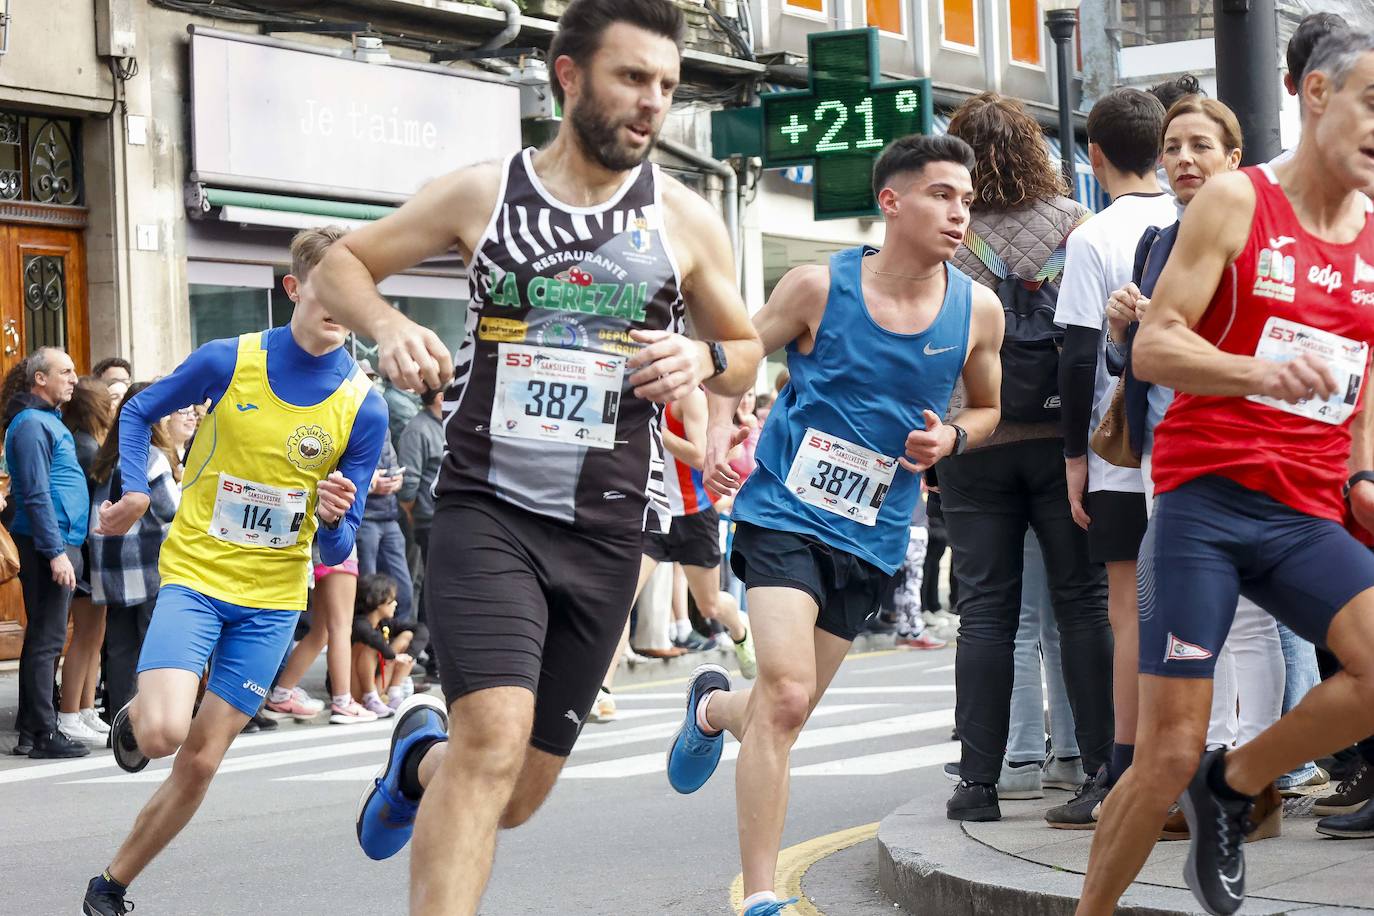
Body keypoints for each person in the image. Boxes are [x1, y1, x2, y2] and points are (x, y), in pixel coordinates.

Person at [325, 2, 761, 912]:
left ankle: (418, 764)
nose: (653, 104)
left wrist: (705, 357)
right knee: (491, 742)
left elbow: (748, 347)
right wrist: (392, 324)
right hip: (489, 508)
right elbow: (342, 267)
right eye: (632, 79)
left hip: (607, 531)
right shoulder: (484, 193)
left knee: (513, 795)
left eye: (668, 88)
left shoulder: (682, 219)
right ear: (569, 77)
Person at [1075, 30, 1374, 916]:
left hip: (1308, 514)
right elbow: (1156, 345)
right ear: (1316, 96)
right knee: (1166, 751)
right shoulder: (1239, 201)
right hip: (1205, 505)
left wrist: (1363, 475)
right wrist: (1256, 371)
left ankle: (1235, 786)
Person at [671, 133, 1004, 916]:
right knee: (785, 696)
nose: (960, 212)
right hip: (785, 512)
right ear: (893, 201)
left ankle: (715, 710)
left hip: (875, 533)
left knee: (780, 708)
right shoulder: (819, 287)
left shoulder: (976, 309)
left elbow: (989, 408)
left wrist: (952, 438)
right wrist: (720, 427)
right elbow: (741, 354)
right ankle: (759, 896)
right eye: (943, 195)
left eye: (967, 200)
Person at [79, 226, 387, 916]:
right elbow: (136, 414)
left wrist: (336, 515)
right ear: (295, 288)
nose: (343, 303)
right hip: (197, 576)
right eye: (330, 286)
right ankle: (136, 718)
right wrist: (134, 487)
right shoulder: (228, 359)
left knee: (202, 759)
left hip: (274, 601)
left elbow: (338, 547)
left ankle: (111, 887)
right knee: (162, 735)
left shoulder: (362, 406)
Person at [934, 91, 1113, 821]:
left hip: (971, 439)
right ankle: (1101, 768)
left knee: (986, 613)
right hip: (1062, 443)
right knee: (1083, 605)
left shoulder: (950, 228)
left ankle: (980, 783)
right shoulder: (1078, 224)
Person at [1051, 88, 1177, 828]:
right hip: (1194, 438)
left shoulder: (1094, 236)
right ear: (1164, 150)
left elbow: (1075, 357)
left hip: (1123, 451)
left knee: (1129, 611)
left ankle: (1127, 767)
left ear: (1093, 157)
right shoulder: (1189, 220)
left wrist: (1075, 460)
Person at [5, 347, 88, 759]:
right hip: (46, 544)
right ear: (40, 378)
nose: (74, 378)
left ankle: (30, 728)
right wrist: (56, 552)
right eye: (65, 371)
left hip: (55, 540)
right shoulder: (32, 424)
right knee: (47, 640)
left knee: (44, 637)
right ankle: (43, 733)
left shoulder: (46, 421)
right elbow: (35, 493)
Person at [88, 383, 182, 729]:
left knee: (120, 645)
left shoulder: (109, 454)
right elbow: (169, 509)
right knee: (152, 641)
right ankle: (149, 717)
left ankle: (120, 718)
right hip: (146, 560)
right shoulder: (151, 455)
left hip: (111, 561)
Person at [56, 376, 115, 743]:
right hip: (88, 549)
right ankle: (69, 713)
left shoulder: (87, 443)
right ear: (95, 406)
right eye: (107, 401)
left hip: (93, 550)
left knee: (95, 633)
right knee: (85, 633)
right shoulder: (86, 447)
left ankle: (85, 708)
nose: (113, 407)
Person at [357, 429, 415, 624]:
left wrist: (396, 482)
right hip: (364, 517)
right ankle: (364, 644)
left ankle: (396, 640)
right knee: (369, 590)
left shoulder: (384, 428)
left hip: (389, 516)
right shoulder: (352, 419)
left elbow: (394, 466)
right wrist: (373, 484)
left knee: (404, 588)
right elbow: (341, 470)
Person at [351, 572, 427, 716]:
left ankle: (394, 694)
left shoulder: (385, 623)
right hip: (354, 688)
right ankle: (370, 698)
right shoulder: (358, 623)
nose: (395, 604)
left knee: (408, 636)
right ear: (379, 601)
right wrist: (393, 656)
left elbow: (421, 630)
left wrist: (409, 655)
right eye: (392, 600)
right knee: (369, 646)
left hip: (378, 683)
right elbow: (370, 636)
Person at [397, 387, 444, 596]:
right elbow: (408, 484)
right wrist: (413, 514)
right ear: (440, 398)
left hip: (445, 517)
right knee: (420, 580)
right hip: (425, 519)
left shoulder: (447, 425)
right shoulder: (418, 429)